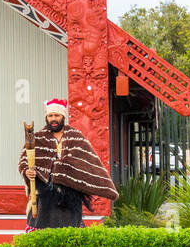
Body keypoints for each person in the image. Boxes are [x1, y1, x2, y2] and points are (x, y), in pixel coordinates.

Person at [17, 98, 118, 229]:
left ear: (63, 117)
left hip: (69, 196)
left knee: (70, 230)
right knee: (40, 229)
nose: (53, 119)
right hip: (43, 195)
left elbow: (87, 162)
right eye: (50, 115)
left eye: (57, 115)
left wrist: (63, 169)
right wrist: (27, 171)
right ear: (46, 117)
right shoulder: (38, 137)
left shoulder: (75, 137)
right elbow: (24, 160)